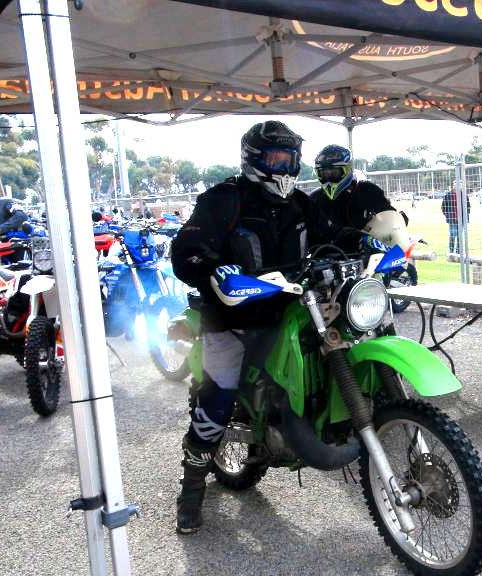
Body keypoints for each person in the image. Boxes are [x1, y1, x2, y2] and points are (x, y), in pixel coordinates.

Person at [169, 120, 310, 534]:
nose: (284, 169)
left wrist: (367, 239)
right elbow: (186, 252)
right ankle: (191, 488)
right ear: (254, 159)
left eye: (290, 160)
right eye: (276, 159)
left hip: (289, 310)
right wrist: (214, 270)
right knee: (218, 396)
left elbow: (332, 234)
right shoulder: (223, 200)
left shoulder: (301, 203)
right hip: (231, 317)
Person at [309, 144, 410, 254]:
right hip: (325, 257)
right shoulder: (315, 198)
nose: (328, 178)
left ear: (347, 170)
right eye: (323, 173)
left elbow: (388, 215)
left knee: (408, 270)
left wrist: (397, 224)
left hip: (366, 255)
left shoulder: (367, 190)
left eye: (334, 172)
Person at [440, 183, 471, 254]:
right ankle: (451, 251)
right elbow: (443, 207)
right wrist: (448, 216)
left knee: (460, 236)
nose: (457, 186)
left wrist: (466, 216)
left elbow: (468, 207)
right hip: (452, 220)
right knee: (453, 235)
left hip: (462, 220)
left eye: (459, 185)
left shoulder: (464, 195)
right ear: (453, 186)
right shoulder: (448, 195)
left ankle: (458, 252)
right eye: (455, 184)